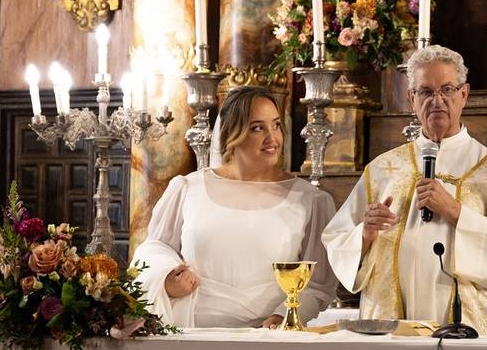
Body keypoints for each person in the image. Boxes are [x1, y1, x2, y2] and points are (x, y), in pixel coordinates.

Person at [322, 45, 487, 334]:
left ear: (464, 94)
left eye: (447, 89)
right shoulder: (383, 169)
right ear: (411, 98)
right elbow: (337, 239)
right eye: (425, 91)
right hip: (391, 324)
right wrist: (364, 234)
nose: (437, 100)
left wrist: (457, 214)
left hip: (464, 325)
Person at [133, 86, 338, 328]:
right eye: (257, 128)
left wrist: (283, 316)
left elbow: (319, 283)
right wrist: (166, 280)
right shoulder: (188, 189)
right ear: (232, 133)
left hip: (267, 341)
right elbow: (153, 250)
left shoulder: (310, 200)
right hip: (191, 334)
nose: (273, 139)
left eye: (276, 125)